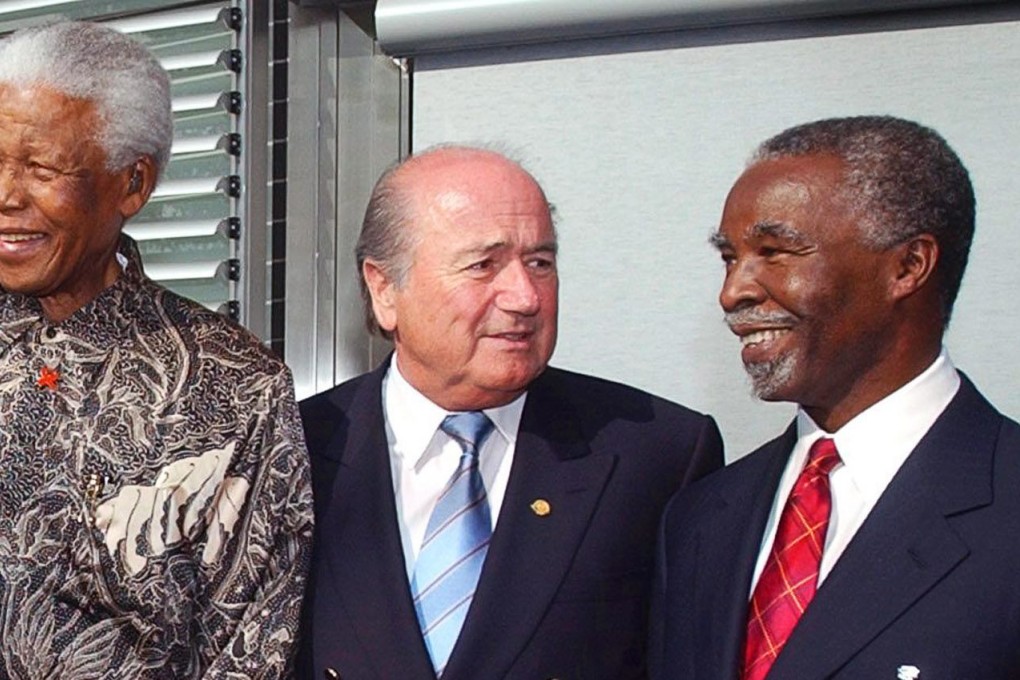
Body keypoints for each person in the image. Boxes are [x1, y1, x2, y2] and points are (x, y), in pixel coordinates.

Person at [299, 145, 723, 679]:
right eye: (484, 265)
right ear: (385, 289)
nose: (525, 296)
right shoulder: (293, 451)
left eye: (540, 263)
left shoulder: (658, 453)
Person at [650, 116, 1020, 679]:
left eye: (775, 251)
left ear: (908, 266)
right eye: (730, 258)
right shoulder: (701, 517)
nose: (734, 292)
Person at [0, 22, 312, 678]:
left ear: (132, 185)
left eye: (42, 169)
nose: (6, 197)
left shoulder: (235, 390)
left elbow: (247, 651)